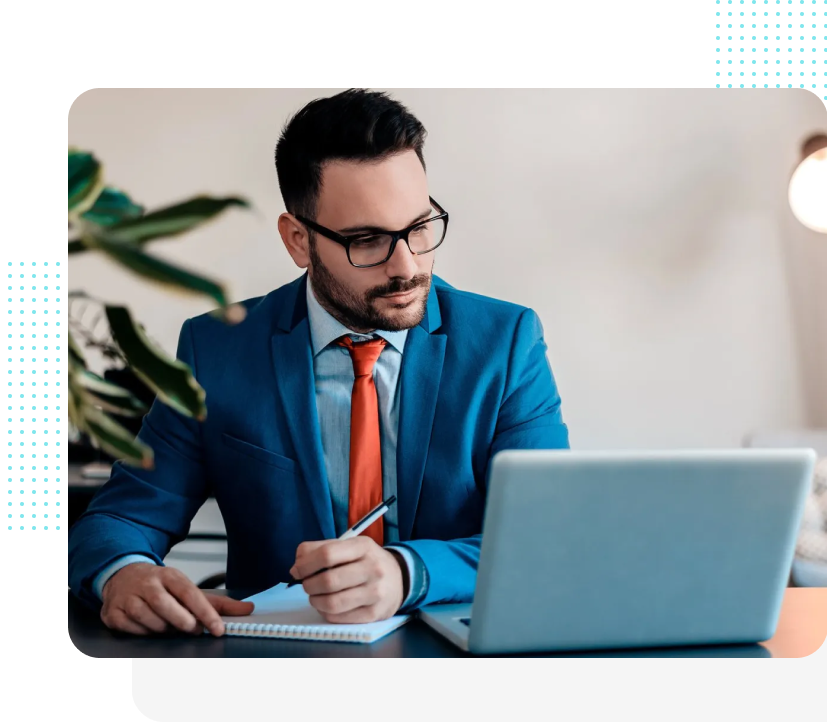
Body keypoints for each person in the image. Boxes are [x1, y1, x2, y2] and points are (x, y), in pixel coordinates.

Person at [67, 88, 569, 637]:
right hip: (277, 662)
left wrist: (408, 572)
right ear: (298, 241)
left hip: (460, 656)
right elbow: (122, 517)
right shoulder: (215, 350)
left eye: (421, 227)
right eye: (367, 240)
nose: (407, 266)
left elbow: (544, 536)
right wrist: (124, 573)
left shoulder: (506, 341)